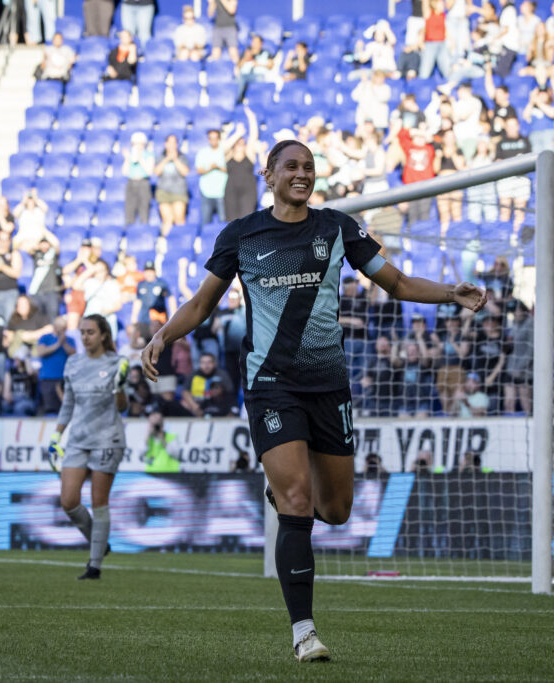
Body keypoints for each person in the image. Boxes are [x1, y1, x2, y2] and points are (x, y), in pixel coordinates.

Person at [140, 139, 487, 662]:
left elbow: (393, 281)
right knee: (298, 503)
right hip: (270, 384)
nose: (302, 174)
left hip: (329, 385)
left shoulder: (337, 227)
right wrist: (165, 335)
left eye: (309, 167)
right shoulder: (241, 235)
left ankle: (282, 492)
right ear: (269, 174)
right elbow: (201, 303)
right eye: (292, 167)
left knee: (337, 509)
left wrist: (448, 294)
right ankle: (304, 632)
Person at [47, 314, 128, 580]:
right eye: (82, 332)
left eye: (90, 332)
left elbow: (122, 407)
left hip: (107, 439)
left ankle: (94, 565)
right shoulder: (73, 362)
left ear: (103, 335)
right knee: (68, 501)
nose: (85, 337)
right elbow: (68, 403)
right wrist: (56, 435)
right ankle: (100, 542)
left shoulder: (117, 363)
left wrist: (119, 390)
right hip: (78, 439)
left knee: (98, 502)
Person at [35, 316, 75, 414]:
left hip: (64, 379)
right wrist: (58, 344)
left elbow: (73, 354)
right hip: (48, 379)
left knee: (66, 408)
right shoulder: (45, 338)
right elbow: (42, 351)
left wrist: (64, 343)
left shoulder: (69, 340)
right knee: (50, 407)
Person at [153, 134, 190, 234]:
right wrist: (166, 159)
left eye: (174, 142)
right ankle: (166, 243)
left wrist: (175, 159)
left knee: (179, 219)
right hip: (163, 192)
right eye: (170, 142)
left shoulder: (182, 157)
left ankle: (181, 242)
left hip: (179, 192)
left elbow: (185, 172)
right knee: (167, 219)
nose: (172, 145)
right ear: (166, 144)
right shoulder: (160, 157)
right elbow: (156, 171)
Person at [195, 129, 228, 224]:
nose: (213, 140)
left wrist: (218, 167)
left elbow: (230, 169)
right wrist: (210, 168)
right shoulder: (202, 152)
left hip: (222, 191)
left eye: (215, 138)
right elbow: (199, 170)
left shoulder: (224, 152)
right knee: (206, 221)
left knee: (223, 222)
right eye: (211, 138)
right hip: (206, 191)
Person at [123, 132, 154, 225]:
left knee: (144, 208)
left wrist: (140, 158)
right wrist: (127, 159)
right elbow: (125, 172)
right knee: (129, 209)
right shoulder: (130, 156)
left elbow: (149, 171)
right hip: (131, 182)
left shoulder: (149, 155)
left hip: (143, 183)